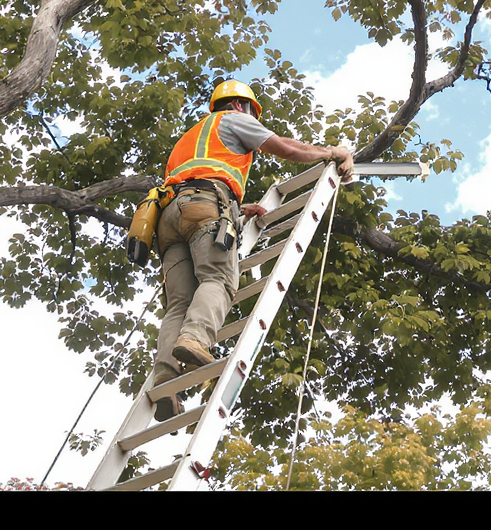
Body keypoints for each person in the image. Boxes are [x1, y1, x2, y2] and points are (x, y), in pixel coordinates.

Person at [151, 80, 353, 421]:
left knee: (178, 304)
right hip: (206, 205)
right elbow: (287, 148)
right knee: (218, 280)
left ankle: (166, 380)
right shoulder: (232, 119)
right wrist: (331, 153)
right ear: (242, 106)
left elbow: (195, 180)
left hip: (169, 219)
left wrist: (238, 209)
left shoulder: (191, 137)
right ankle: (196, 338)